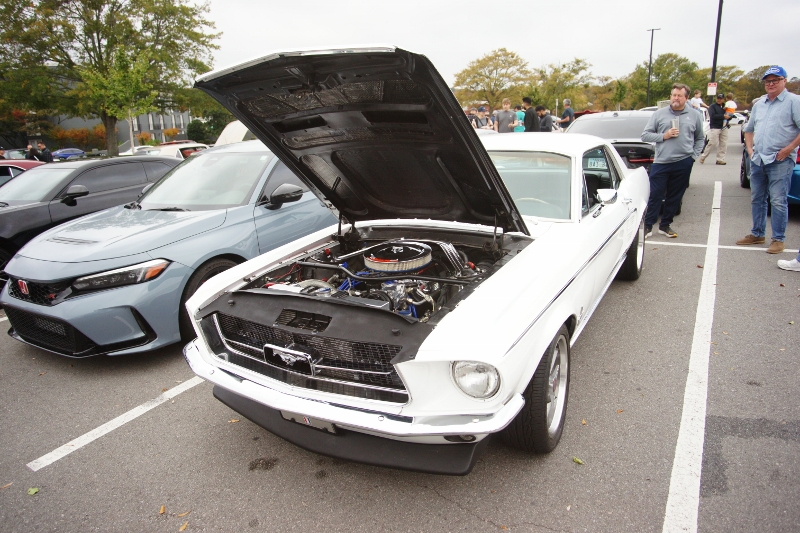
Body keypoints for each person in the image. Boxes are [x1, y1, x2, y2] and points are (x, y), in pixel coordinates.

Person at [737, 66, 800, 255]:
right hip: (759, 159)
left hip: (781, 160)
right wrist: (750, 149)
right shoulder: (760, 104)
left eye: (775, 80)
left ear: (784, 81)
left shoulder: (793, 101)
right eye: (768, 81)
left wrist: (789, 149)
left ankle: (778, 239)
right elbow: (749, 129)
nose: (771, 84)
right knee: (757, 198)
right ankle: (757, 233)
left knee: (778, 200)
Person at [640, 83, 706, 238]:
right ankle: (648, 226)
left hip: (683, 162)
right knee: (656, 194)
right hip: (661, 162)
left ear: (686, 98)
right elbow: (645, 135)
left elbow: (699, 138)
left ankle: (665, 225)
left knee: (675, 196)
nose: (676, 98)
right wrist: (664, 136)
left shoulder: (694, 115)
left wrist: (693, 157)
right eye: (674, 95)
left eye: (679, 96)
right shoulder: (659, 114)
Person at [698, 94, 731, 165]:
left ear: (723, 99)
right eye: (718, 98)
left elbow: (730, 114)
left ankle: (720, 159)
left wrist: (729, 117)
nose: (719, 100)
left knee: (723, 143)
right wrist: (723, 116)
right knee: (712, 142)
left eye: (720, 99)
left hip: (724, 127)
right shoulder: (712, 106)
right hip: (715, 126)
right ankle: (703, 156)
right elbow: (713, 116)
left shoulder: (726, 107)